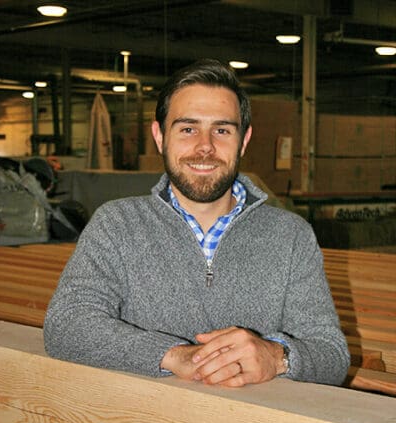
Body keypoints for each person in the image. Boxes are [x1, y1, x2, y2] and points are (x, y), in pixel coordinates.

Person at [44, 59, 350, 387]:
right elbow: (66, 325)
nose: (205, 146)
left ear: (243, 140)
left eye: (222, 130)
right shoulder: (117, 225)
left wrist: (276, 356)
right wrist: (175, 355)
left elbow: (332, 355)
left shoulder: (291, 235)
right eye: (188, 128)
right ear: (160, 136)